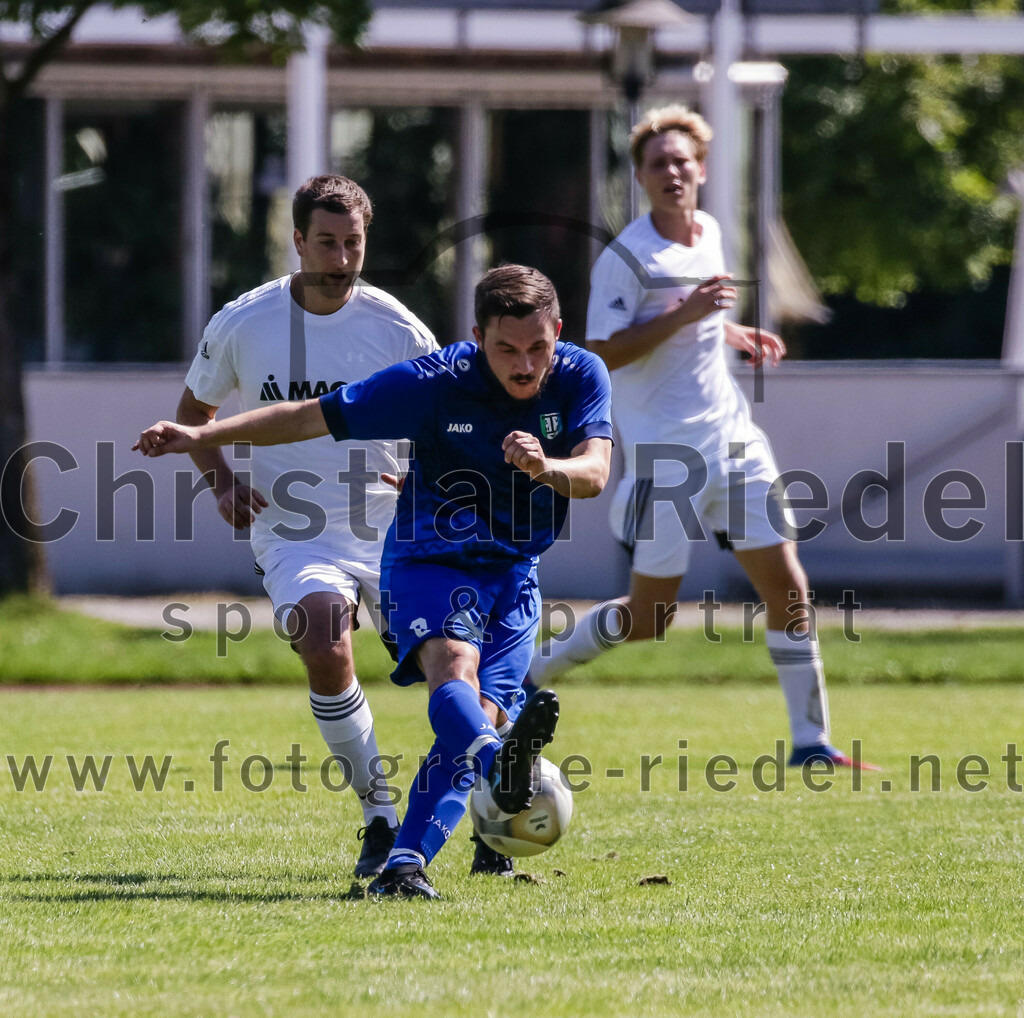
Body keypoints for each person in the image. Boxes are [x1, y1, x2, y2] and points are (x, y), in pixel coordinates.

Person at [136, 264, 614, 898]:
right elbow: (310, 415)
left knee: (474, 719)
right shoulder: (438, 379)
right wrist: (203, 433)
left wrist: (544, 465)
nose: (524, 365)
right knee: (454, 678)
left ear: (558, 331)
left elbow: (595, 471)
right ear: (477, 337)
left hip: (515, 572)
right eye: (506, 349)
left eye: (537, 347)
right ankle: (502, 766)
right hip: (431, 557)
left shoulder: (582, 374)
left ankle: (404, 864)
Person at [528, 105, 874, 770]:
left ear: (703, 169)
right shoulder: (628, 257)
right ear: (641, 176)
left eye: (682, 160)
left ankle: (811, 744)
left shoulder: (710, 231)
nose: (672, 172)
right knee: (653, 616)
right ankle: (528, 675)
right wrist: (686, 313)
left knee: (789, 588)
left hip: (735, 441)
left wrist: (731, 331)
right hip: (666, 456)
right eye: (658, 163)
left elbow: (695, 325)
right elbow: (600, 350)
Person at [176, 175, 437, 878]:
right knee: (324, 639)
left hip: (391, 530)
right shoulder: (244, 321)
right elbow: (194, 414)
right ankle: (380, 821)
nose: (342, 256)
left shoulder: (398, 327)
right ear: (297, 241)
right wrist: (221, 480)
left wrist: (428, 478)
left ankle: (486, 825)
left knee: (459, 673)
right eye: (326, 242)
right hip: (295, 532)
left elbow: (446, 417)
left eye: (353, 242)